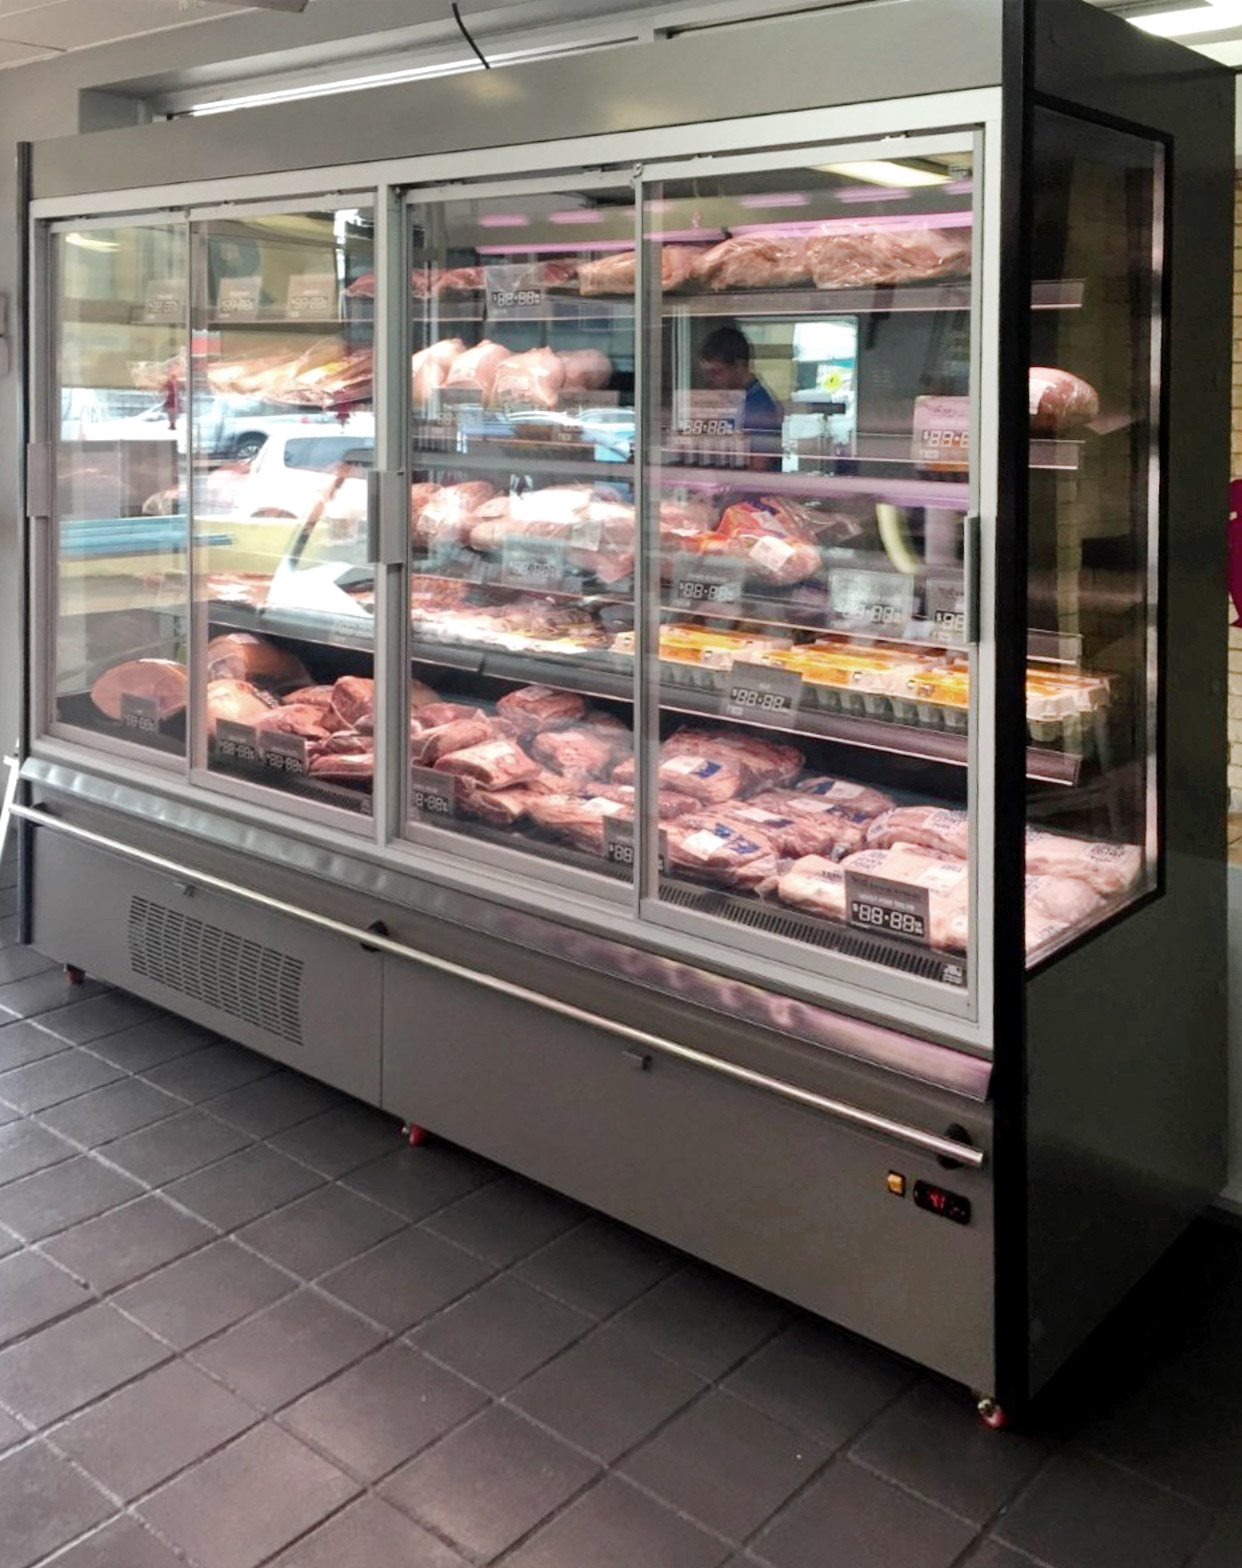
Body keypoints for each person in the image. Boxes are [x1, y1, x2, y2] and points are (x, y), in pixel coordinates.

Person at [698, 324, 784, 470]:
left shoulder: (759, 407)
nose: (710, 379)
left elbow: (758, 465)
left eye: (717, 372)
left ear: (740, 366)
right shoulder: (733, 399)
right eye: (707, 373)